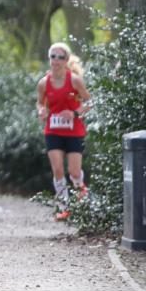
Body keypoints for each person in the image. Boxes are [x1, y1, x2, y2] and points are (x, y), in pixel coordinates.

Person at [37, 42, 91, 221]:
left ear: (66, 60)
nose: (56, 60)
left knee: (74, 172)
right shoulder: (43, 83)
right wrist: (41, 111)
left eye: (60, 57)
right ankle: (64, 207)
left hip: (74, 131)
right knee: (58, 169)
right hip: (53, 131)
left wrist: (74, 113)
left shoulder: (75, 80)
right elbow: (40, 103)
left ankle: (81, 195)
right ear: (49, 59)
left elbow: (89, 102)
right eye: (53, 56)